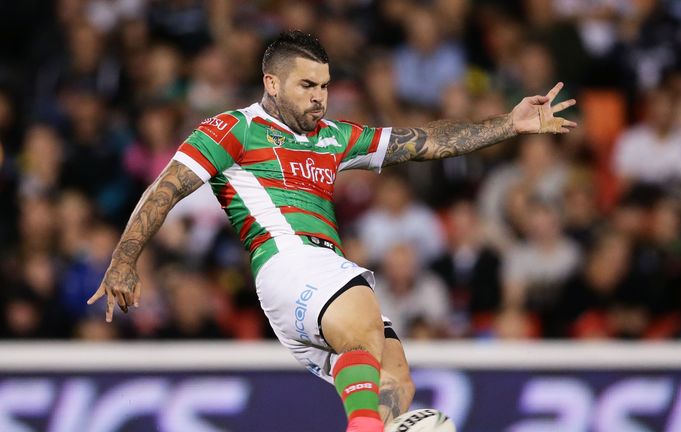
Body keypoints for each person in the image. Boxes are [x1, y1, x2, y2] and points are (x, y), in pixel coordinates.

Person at [86, 31, 577, 432]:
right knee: (364, 325)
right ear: (272, 84)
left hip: (307, 288)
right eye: (307, 86)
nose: (320, 97)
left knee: (397, 381)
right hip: (290, 261)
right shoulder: (232, 129)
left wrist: (508, 125)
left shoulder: (335, 138)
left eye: (324, 85)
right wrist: (124, 260)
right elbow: (165, 189)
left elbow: (426, 142)